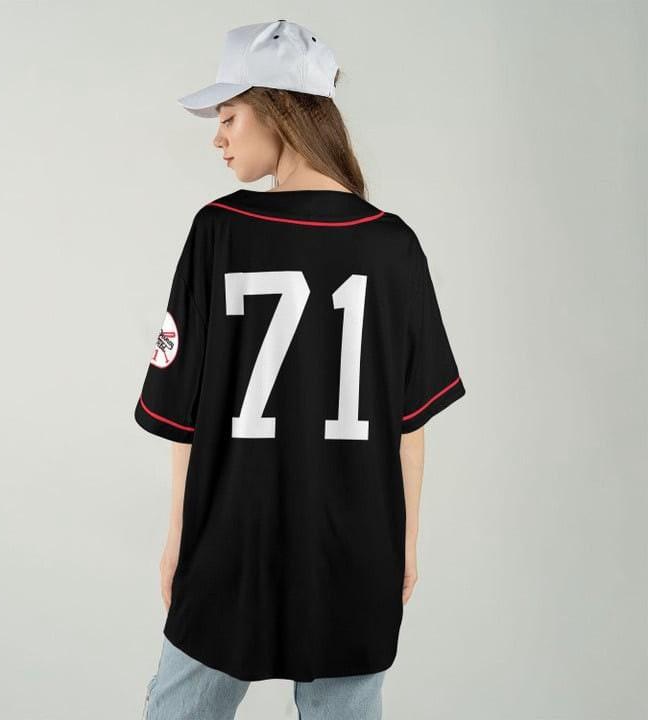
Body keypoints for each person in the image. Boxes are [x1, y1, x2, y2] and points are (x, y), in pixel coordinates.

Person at [134, 19, 466, 720]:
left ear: (279, 109)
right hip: (357, 548)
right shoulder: (394, 246)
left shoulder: (218, 230)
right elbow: (410, 427)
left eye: (230, 116)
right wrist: (404, 543)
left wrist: (177, 537)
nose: (219, 138)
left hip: (231, 540)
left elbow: (182, 415)